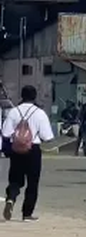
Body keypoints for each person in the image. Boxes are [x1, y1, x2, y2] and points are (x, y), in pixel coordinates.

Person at [1, 85, 54, 221]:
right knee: (32, 183)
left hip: (16, 150)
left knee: (15, 180)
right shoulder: (39, 113)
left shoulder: (13, 111)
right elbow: (47, 137)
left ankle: (11, 198)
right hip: (33, 150)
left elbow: (6, 133)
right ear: (34, 96)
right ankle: (27, 213)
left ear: (22, 96)